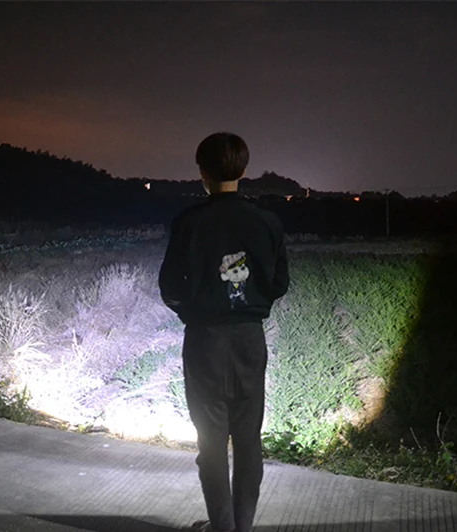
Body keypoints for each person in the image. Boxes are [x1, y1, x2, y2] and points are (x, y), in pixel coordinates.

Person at [159, 132, 290, 532]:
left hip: (205, 342)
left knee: (211, 442)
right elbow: (279, 282)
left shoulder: (189, 222)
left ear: (202, 172)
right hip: (250, 339)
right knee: (248, 440)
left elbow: (171, 287)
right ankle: (242, 527)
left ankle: (222, 527)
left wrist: (194, 312)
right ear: (244, 170)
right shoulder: (267, 221)